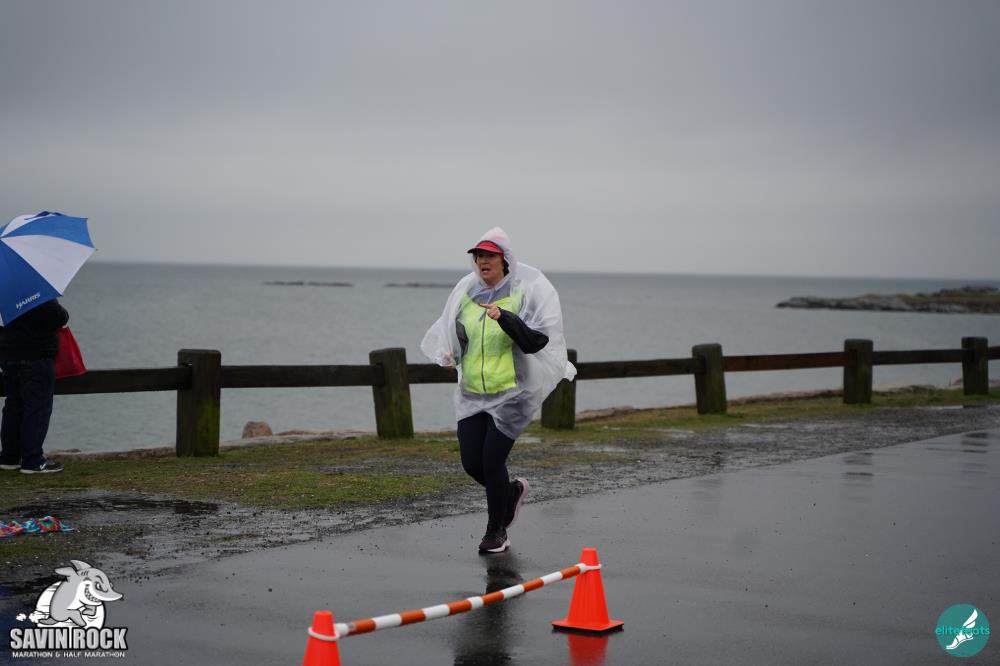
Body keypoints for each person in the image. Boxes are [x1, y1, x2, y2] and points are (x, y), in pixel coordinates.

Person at [422, 227, 575, 553]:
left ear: (505, 260)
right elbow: (458, 336)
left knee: (492, 462)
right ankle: (511, 492)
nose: (482, 261)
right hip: (473, 393)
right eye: (478, 255)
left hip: (512, 394)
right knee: (471, 464)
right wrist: (450, 354)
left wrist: (505, 317)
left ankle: (497, 532)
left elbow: (537, 340)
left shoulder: (524, 293)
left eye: (489, 255)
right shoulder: (466, 294)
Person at [0, 298, 69, 473]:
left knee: (13, 406)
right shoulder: (36, 294)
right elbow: (58, 317)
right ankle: (32, 459)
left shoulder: (4, 293)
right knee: (37, 408)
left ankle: (9, 457)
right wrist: (59, 308)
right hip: (36, 357)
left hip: (8, 357)